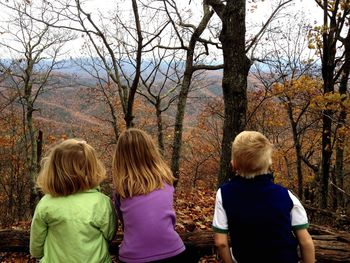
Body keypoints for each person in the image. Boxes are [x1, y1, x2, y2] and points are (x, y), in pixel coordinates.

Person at [212, 131, 315, 263]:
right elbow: (305, 242)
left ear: (234, 164)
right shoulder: (286, 196)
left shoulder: (224, 194)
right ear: (269, 164)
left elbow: (221, 242)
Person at [30, 139, 116, 263]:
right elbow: (109, 234)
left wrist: (39, 255)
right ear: (92, 169)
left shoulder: (46, 203)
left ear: (54, 169)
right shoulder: (101, 202)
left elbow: (36, 246)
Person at [112, 128, 186, 263]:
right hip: (174, 250)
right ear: (151, 152)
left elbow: (126, 224)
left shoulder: (121, 191)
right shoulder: (167, 182)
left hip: (133, 257)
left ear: (121, 157)